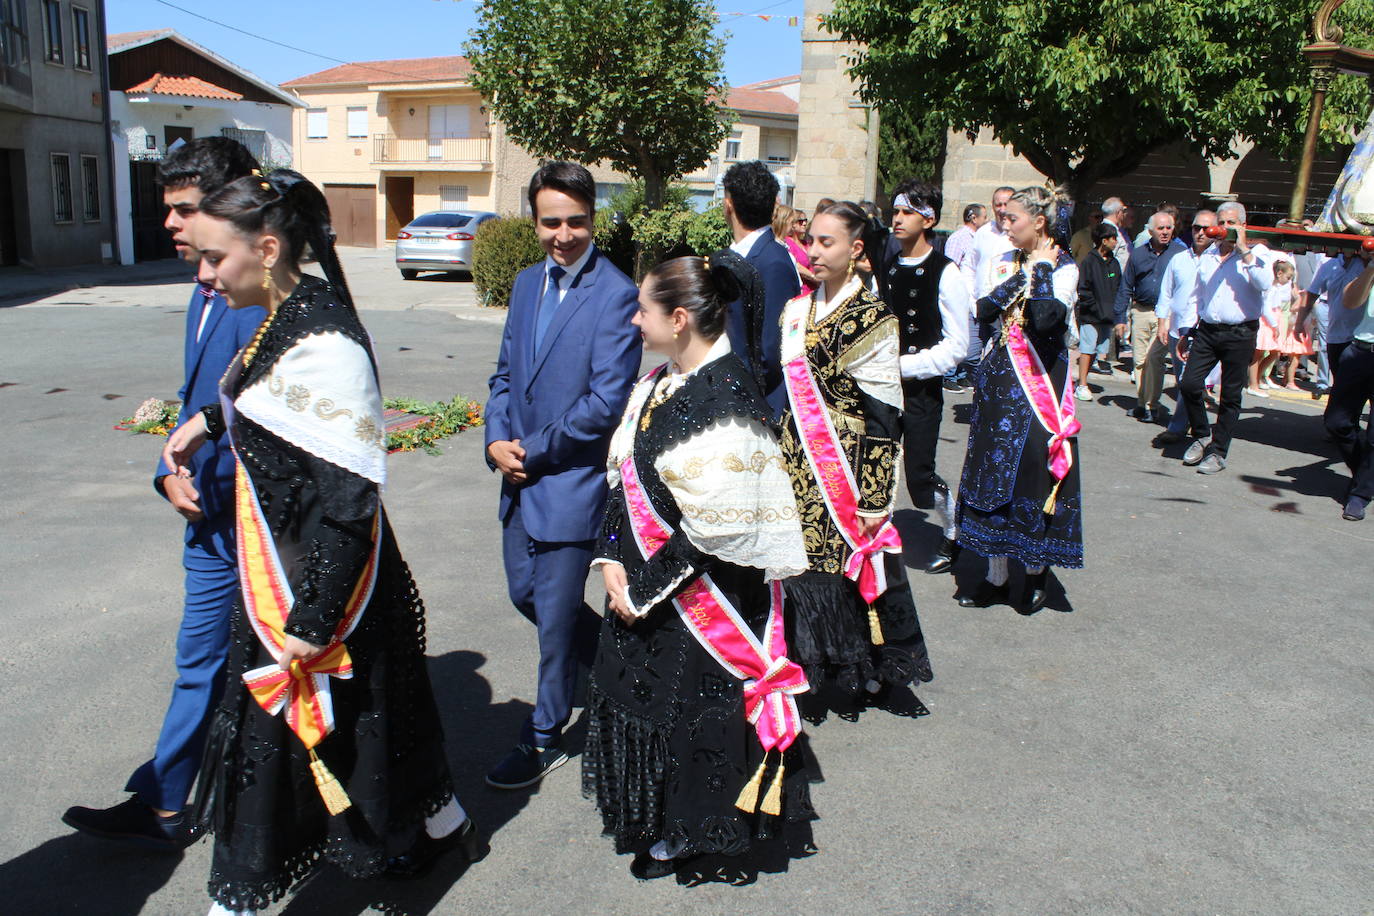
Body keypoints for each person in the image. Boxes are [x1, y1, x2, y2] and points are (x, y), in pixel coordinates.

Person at [160, 170, 473, 915]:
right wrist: (206, 420)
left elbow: (349, 506)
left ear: (267, 249)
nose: (204, 275)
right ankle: (448, 825)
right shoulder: (284, 313)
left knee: (285, 752)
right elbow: (267, 394)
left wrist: (310, 624)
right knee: (383, 724)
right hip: (292, 568)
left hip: (323, 585)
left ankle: (237, 902)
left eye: (215, 257)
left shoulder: (326, 340)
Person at [62, 138, 266, 851]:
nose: (171, 224)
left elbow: (272, 415)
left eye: (185, 209)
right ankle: (174, 799)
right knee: (205, 664)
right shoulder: (202, 291)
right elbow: (193, 400)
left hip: (254, 526)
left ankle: (182, 804)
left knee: (233, 667)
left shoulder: (263, 298)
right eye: (168, 209)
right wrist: (166, 468)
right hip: (206, 517)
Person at [584, 254, 815, 881]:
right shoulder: (660, 380)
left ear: (679, 318)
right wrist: (610, 557)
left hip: (700, 599)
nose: (635, 321)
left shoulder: (728, 400)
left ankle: (693, 834)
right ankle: (659, 817)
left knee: (691, 716)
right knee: (650, 704)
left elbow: (715, 533)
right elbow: (623, 476)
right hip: (642, 584)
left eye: (644, 310)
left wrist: (641, 591)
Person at [484, 162, 642, 789]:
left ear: (593, 218)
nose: (564, 234)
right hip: (517, 477)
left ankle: (545, 733)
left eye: (577, 221)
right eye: (551, 222)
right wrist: (495, 439)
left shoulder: (616, 294)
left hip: (570, 482)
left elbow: (605, 404)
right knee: (524, 595)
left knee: (553, 622)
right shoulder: (527, 284)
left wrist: (531, 450)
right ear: (534, 221)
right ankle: (619, 666)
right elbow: (504, 375)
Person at [777, 201, 932, 718]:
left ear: (855, 248)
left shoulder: (874, 318)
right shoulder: (796, 310)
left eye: (828, 242)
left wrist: (874, 497)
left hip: (845, 464)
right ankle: (804, 665)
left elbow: (884, 415)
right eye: (811, 241)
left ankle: (857, 670)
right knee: (799, 566)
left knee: (845, 568)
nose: (815, 251)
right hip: (797, 459)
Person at [954, 186, 1083, 613]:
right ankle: (996, 576)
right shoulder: (1005, 260)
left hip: (1038, 381)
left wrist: (1041, 269)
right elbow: (984, 309)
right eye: (1004, 217)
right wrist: (1021, 276)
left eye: (1013, 218)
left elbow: (1046, 320)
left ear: (1039, 221)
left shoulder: (1064, 267)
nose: (1004, 224)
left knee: (1032, 473)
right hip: (999, 381)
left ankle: (1033, 572)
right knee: (991, 472)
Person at [880, 181, 970, 574]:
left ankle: (954, 529)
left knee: (919, 477)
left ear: (928, 219)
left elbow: (957, 346)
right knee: (875, 466)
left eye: (907, 212)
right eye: (895, 211)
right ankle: (874, 540)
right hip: (882, 389)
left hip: (921, 391)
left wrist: (905, 366)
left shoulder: (945, 272)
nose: (897, 219)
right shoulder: (886, 268)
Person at [1177, 202, 1274, 475]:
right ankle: (1202, 434)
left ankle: (1218, 452)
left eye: (1231, 223)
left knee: (1230, 395)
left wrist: (1243, 250)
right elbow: (1199, 295)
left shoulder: (1257, 252)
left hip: (1240, 333)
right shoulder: (1209, 253)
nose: (1224, 228)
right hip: (1208, 330)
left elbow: (1265, 283)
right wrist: (1187, 330)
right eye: (1221, 222)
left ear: (1242, 225)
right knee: (1189, 384)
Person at [722, 161, 803, 415]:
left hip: (756, 403)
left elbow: (770, 350)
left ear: (728, 205)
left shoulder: (772, 261)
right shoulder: (735, 256)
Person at [1154, 210, 1218, 445]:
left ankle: (1178, 426)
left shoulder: (1218, 261)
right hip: (1176, 328)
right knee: (1184, 382)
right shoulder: (1179, 259)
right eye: (1196, 228)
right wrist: (1162, 321)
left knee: (1187, 379)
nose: (1200, 233)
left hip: (1201, 331)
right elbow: (1166, 292)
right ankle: (1193, 418)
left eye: (1206, 229)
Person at [1115, 210, 1180, 423]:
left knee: (1155, 360)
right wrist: (1120, 319)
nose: (1165, 232)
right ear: (1150, 231)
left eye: (1168, 228)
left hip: (1165, 316)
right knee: (1140, 361)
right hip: (1141, 311)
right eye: (1160, 228)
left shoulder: (1179, 254)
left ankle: (1152, 405)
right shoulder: (1138, 254)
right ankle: (1142, 404)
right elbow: (1126, 285)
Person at [1325, 252, 1374, 521]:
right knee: (1336, 422)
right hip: (1361, 351)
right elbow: (1350, 301)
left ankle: (1360, 494)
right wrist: (1371, 268)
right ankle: (1365, 476)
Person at [1074, 221, 1122, 401]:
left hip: (1107, 316)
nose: (1115, 242)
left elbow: (1118, 287)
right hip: (1091, 315)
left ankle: (1083, 380)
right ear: (1103, 240)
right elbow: (1083, 288)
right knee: (1086, 349)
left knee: (1096, 350)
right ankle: (1082, 385)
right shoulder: (1089, 261)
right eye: (1113, 238)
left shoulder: (1114, 264)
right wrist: (1093, 308)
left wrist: (1115, 311)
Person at [1247, 259, 1297, 397]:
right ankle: (1253, 384)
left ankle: (1258, 378)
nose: (1288, 281)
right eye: (1288, 277)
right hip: (1267, 323)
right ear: (1279, 273)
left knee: (1274, 353)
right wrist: (1274, 325)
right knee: (1258, 354)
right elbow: (1266, 308)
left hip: (1274, 320)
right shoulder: (1269, 288)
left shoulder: (1276, 288)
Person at [1275, 261, 1315, 391]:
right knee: (1295, 359)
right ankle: (1290, 381)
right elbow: (1294, 308)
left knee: (1293, 358)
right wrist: (1301, 302)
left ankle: (1286, 379)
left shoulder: (1297, 292)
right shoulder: (1302, 295)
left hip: (1298, 328)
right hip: (1297, 330)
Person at [774, 203, 818, 293]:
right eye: (800, 221)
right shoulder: (786, 243)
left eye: (805, 220)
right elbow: (796, 265)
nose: (804, 223)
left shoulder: (805, 243)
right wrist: (814, 277)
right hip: (801, 290)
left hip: (813, 289)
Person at [944, 203, 987, 270]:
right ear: (974, 219)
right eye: (985, 217)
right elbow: (950, 268)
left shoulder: (979, 238)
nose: (987, 221)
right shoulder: (957, 239)